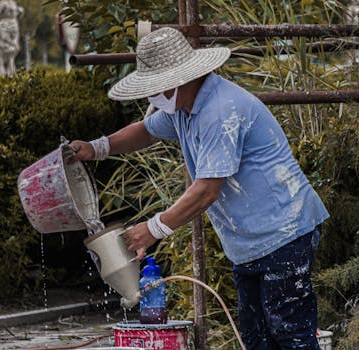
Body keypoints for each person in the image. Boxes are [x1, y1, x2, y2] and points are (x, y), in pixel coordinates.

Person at [68, 27, 329, 350]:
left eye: (156, 87)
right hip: (250, 244)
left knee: (289, 334)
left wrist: (154, 228)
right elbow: (146, 131)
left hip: (284, 232)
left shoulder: (220, 111)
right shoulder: (183, 108)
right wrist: (96, 148)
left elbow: (206, 190)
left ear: (180, 78)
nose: (153, 96)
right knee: (257, 337)